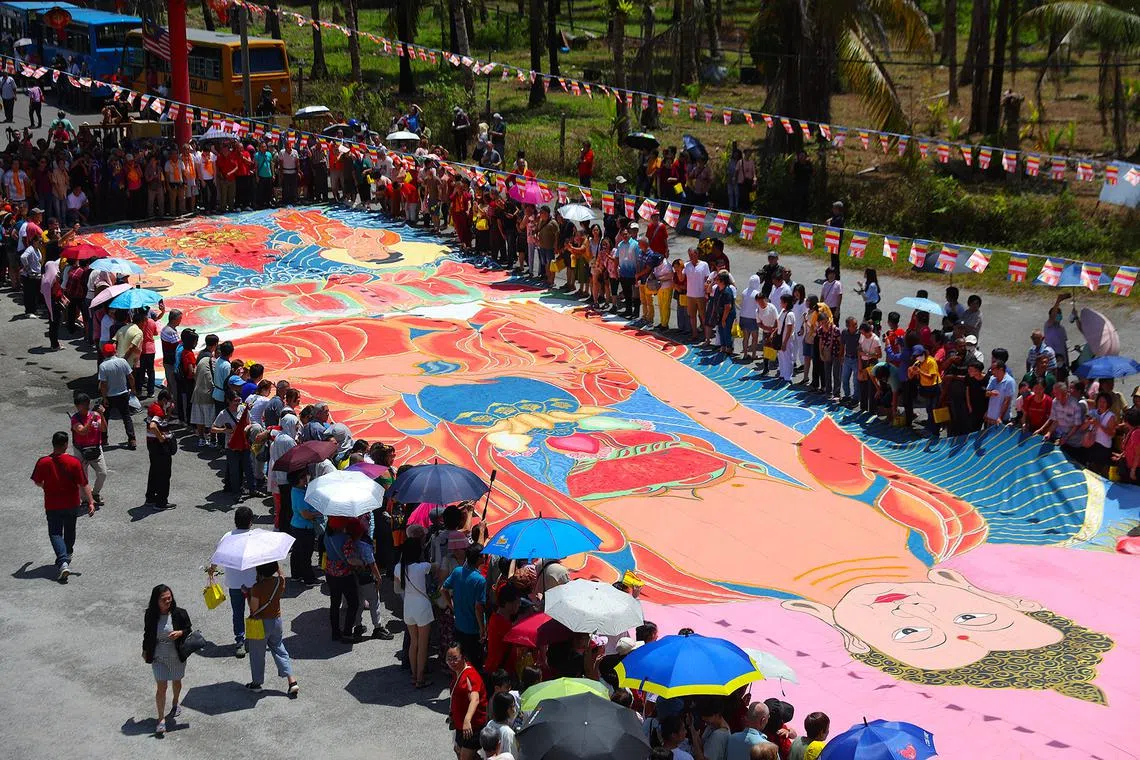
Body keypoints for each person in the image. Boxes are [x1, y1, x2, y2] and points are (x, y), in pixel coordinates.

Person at [31, 431, 93, 582]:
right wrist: (91, 502)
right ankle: (68, 554)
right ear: (66, 444)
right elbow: (83, 484)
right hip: (72, 503)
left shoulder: (43, 462)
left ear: (53, 444)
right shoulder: (74, 462)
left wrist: (45, 486)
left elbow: (38, 482)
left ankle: (63, 561)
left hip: (53, 504)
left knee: (55, 533)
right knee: (70, 529)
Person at [142, 585, 192, 737]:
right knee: (161, 687)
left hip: (176, 656)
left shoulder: (179, 613)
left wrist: (180, 632)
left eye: (169, 598)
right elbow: (147, 633)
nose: (168, 601)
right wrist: (145, 650)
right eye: (164, 599)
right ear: (156, 601)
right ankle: (161, 719)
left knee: (176, 681)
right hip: (159, 657)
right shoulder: (150, 614)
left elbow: (188, 629)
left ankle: (175, 702)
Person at [208, 507, 258, 658]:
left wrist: (211, 569)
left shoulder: (227, 537)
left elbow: (217, 556)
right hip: (252, 583)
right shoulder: (254, 537)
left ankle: (239, 641)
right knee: (254, 612)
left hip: (235, 583)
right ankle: (253, 639)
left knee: (237, 612)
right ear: (251, 522)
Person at [245, 562, 299, 697]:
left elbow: (254, 609)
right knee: (279, 648)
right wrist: (276, 563)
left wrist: (247, 594)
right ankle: (292, 681)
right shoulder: (279, 582)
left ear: (259, 572)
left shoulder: (257, 588)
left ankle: (256, 684)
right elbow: (282, 575)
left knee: (257, 653)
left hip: (260, 624)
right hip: (276, 621)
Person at [395, 539, 435, 688]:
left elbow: (397, 589)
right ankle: (420, 678)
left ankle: (414, 675)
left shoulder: (398, 567)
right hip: (422, 606)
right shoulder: (422, 567)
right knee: (423, 645)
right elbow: (435, 567)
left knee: (414, 642)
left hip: (408, 606)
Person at [442, 543, 488, 672]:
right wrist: (482, 629)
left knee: (461, 661)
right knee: (476, 663)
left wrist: (452, 607)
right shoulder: (480, 580)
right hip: (472, 629)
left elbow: (443, 589)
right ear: (478, 558)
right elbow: (478, 607)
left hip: (459, 625)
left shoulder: (458, 572)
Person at [447, 644, 489, 760]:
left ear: (463, 657)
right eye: (449, 659)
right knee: (458, 750)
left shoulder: (470, 675)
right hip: (461, 726)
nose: (452, 662)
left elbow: (475, 699)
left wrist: (467, 720)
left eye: (455, 658)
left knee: (464, 757)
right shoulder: (457, 671)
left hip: (472, 726)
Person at [70, 393, 107, 511]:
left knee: (103, 473)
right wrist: (91, 419)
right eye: (83, 404)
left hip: (96, 448)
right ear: (77, 406)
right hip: (81, 450)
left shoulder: (95, 415)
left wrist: (101, 414)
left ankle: (95, 492)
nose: (87, 406)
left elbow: (104, 429)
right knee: (82, 477)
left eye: (87, 403)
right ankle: (85, 499)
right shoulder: (75, 419)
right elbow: (82, 431)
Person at [97, 343, 136, 448]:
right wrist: (133, 389)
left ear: (104, 353)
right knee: (126, 417)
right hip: (123, 394)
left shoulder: (103, 366)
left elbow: (103, 384)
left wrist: (104, 397)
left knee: (105, 418)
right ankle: (132, 439)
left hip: (110, 396)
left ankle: (104, 439)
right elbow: (130, 377)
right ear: (114, 352)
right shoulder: (122, 362)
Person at [145, 391, 176, 510]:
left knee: (154, 471)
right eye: (169, 402)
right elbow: (153, 426)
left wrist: (168, 412)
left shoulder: (154, 406)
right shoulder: (158, 411)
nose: (170, 404)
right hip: (160, 447)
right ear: (164, 400)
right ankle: (161, 501)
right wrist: (161, 438)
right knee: (164, 474)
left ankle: (151, 497)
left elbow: (163, 421)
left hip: (152, 445)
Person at [684, 247, 710, 342]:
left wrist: (707, 291)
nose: (691, 257)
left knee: (703, 316)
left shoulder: (704, 265)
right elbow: (681, 276)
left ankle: (706, 336)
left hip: (701, 295)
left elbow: (708, 278)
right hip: (690, 294)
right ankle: (694, 334)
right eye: (689, 255)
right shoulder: (686, 265)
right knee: (692, 316)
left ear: (697, 254)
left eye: (692, 255)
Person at [984, 360, 1017, 427]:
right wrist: (990, 393)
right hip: (990, 418)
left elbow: (1007, 401)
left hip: (1001, 419)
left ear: (1001, 369)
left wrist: (1000, 417)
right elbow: (986, 393)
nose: (991, 371)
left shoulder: (1009, 381)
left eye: (993, 369)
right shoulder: (992, 379)